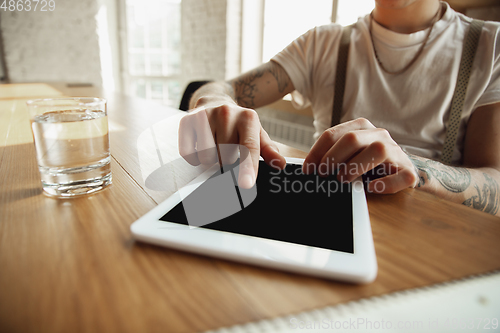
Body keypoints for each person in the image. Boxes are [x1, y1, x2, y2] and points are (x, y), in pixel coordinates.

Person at [180, 0, 500, 217]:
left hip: (432, 232)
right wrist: (213, 101)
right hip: (327, 225)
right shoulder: (321, 43)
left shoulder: (491, 46)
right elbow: (221, 89)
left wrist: (417, 170)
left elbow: (496, 186)